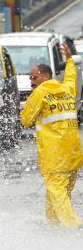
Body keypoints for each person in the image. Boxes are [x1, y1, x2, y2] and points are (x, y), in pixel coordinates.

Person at [21, 43, 81, 227]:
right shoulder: (66, 90)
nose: (31, 81)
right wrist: (69, 60)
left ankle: (74, 225)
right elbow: (71, 77)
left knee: (56, 190)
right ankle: (53, 224)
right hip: (73, 154)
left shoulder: (40, 93)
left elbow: (25, 120)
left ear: (45, 76)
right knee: (60, 191)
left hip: (55, 155)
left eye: (33, 77)